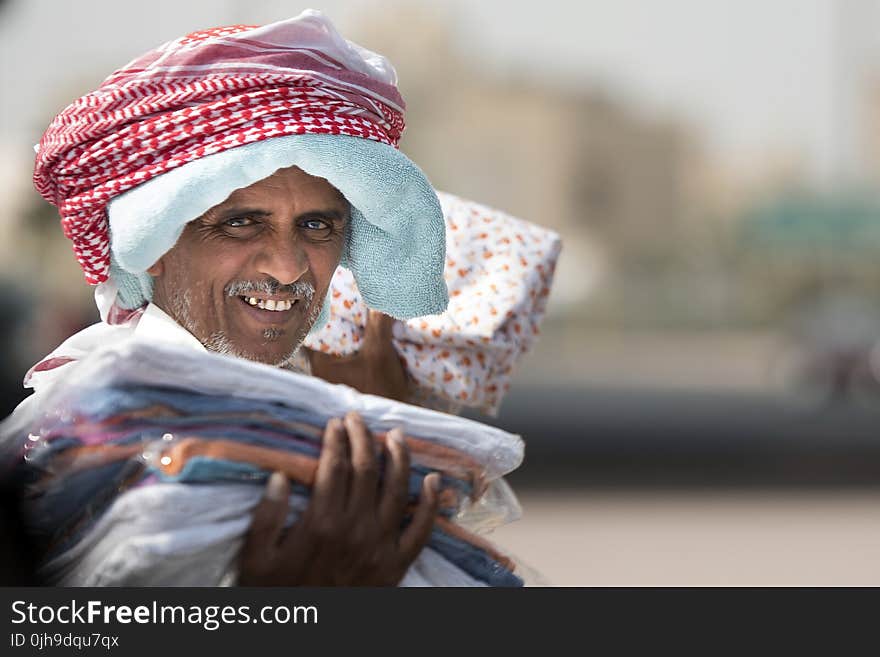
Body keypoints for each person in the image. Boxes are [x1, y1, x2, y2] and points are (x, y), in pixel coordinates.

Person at [15, 10, 456, 585]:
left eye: (317, 227)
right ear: (153, 244)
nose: (289, 265)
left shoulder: (333, 415)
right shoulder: (77, 429)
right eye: (241, 223)